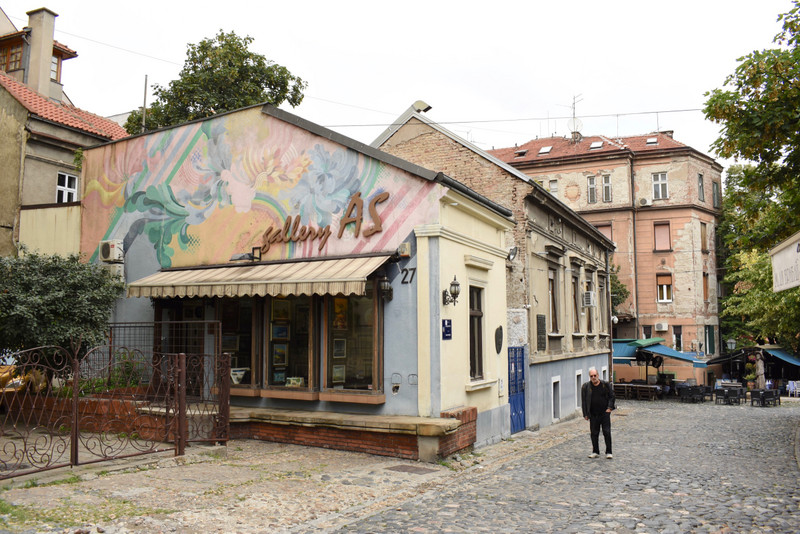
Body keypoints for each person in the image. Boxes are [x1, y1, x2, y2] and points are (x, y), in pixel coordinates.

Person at [581, 367, 615, 459]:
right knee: (594, 433)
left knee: (606, 432)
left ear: (598, 375)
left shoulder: (605, 385)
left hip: (604, 413)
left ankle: (609, 451)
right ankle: (595, 451)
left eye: (595, 375)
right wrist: (585, 414)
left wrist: (609, 408)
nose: (593, 377)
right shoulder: (586, 387)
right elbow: (584, 401)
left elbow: (612, 396)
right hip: (593, 414)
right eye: (591, 376)